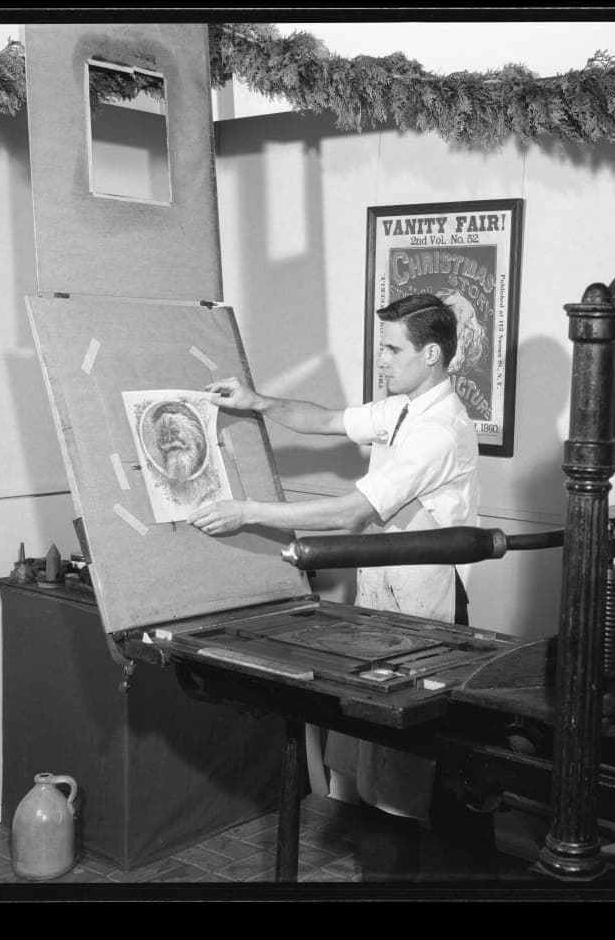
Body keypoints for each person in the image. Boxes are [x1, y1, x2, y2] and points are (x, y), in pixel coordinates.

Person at [188, 292, 497, 882]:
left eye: (392, 348)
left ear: (430, 354)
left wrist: (245, 511)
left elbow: (354, 514)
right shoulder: (403, 408)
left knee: (409, 768)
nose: (381, 359)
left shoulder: (441, 430)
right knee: (382, 754)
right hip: (385, 600)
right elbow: (325, 420)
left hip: (427, 608)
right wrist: (256, 402)